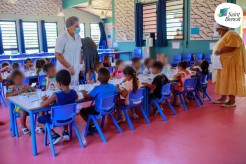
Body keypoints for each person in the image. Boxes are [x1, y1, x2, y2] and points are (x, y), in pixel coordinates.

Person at [38, 70, 80, 144]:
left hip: (56, 120)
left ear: (59, 84)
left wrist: (44, 99)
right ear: (69, 82)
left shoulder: (56, 95)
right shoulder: (74, 93)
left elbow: (42, 105)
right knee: (65, 111)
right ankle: (66, 132)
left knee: (40, 119)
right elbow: (76, 97)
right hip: (69, 118)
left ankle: (54, 135)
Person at [212, 24, 246, 107]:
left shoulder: (232, 34)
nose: (217, 31)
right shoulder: (227, 35)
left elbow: (233, 45)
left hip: (231, 64)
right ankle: (223, 98)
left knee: (230, 82)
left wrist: (220, 50)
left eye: (218, 29)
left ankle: (232, 101)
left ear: (222, 29)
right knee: (223, 81)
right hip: (224, 64)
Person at [79, 68, 118, 135]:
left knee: (82, 111)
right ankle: (93, 125)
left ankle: (92, 125)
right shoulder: (112, 86)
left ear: (98, 78)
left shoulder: (97, 88)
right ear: (109, 78)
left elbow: (87, 97)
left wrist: (83, 92)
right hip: (110, 108)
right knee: (93, 107)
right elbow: (116, 93)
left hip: (99, 110)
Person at [6, 70, 38, 135]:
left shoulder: (25, 85)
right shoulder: (12, 87)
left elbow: (34, 91)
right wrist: (19, 91)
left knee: (39, 108)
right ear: (13, 79)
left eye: (20, 79)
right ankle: (23, 126)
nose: (19, 81)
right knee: (22, 111)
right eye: (17, 79)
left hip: (28, 104)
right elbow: (7, 95)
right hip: (17, 107)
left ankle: (40, 125)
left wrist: (31, 88)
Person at [55, 16, 82, 84]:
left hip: (76, 68)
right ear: (70, 26)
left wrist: (81, 64)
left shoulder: (77, 36)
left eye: (79, 25)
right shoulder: (62, 37)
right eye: (76, 26)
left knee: (75, 89)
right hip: (65, 69)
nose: (78, 27)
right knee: (65, 89)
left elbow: (79, 49)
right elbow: (58, 55)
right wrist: (69, 67)